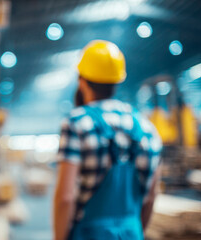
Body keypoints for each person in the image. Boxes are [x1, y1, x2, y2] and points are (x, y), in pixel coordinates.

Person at [53, 40, 162, 240]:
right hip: (132, 233)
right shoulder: (147, 128)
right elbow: (151, 197)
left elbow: (65, 198)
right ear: (116, 82)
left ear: (82, 81)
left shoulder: (77, 122)